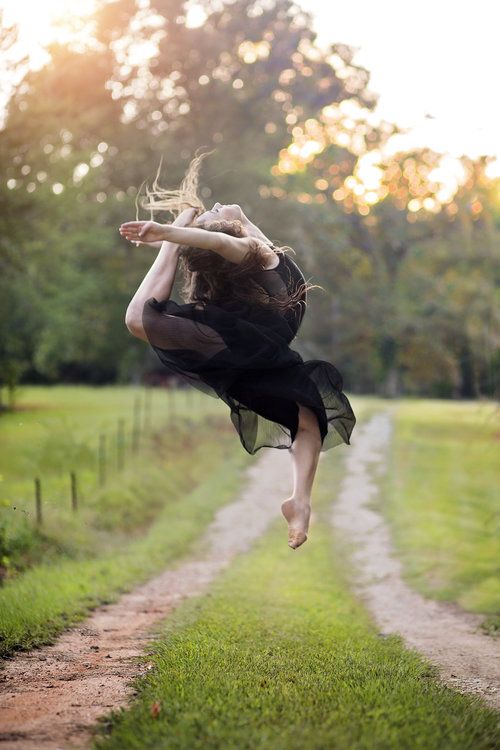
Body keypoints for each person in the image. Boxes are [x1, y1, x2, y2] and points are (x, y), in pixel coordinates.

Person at [119, 151, 356, 549]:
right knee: (307, 413)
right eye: (214, 214)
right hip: (260, 331)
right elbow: (214, 239)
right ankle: (300, 501)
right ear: (232, 232)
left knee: (139, 321)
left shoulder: (251, 248)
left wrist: (174, 232)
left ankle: (301, 500)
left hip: (261, 330)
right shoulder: (250, 249)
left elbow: (214, 237)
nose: (212, 208)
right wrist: (173, 233)